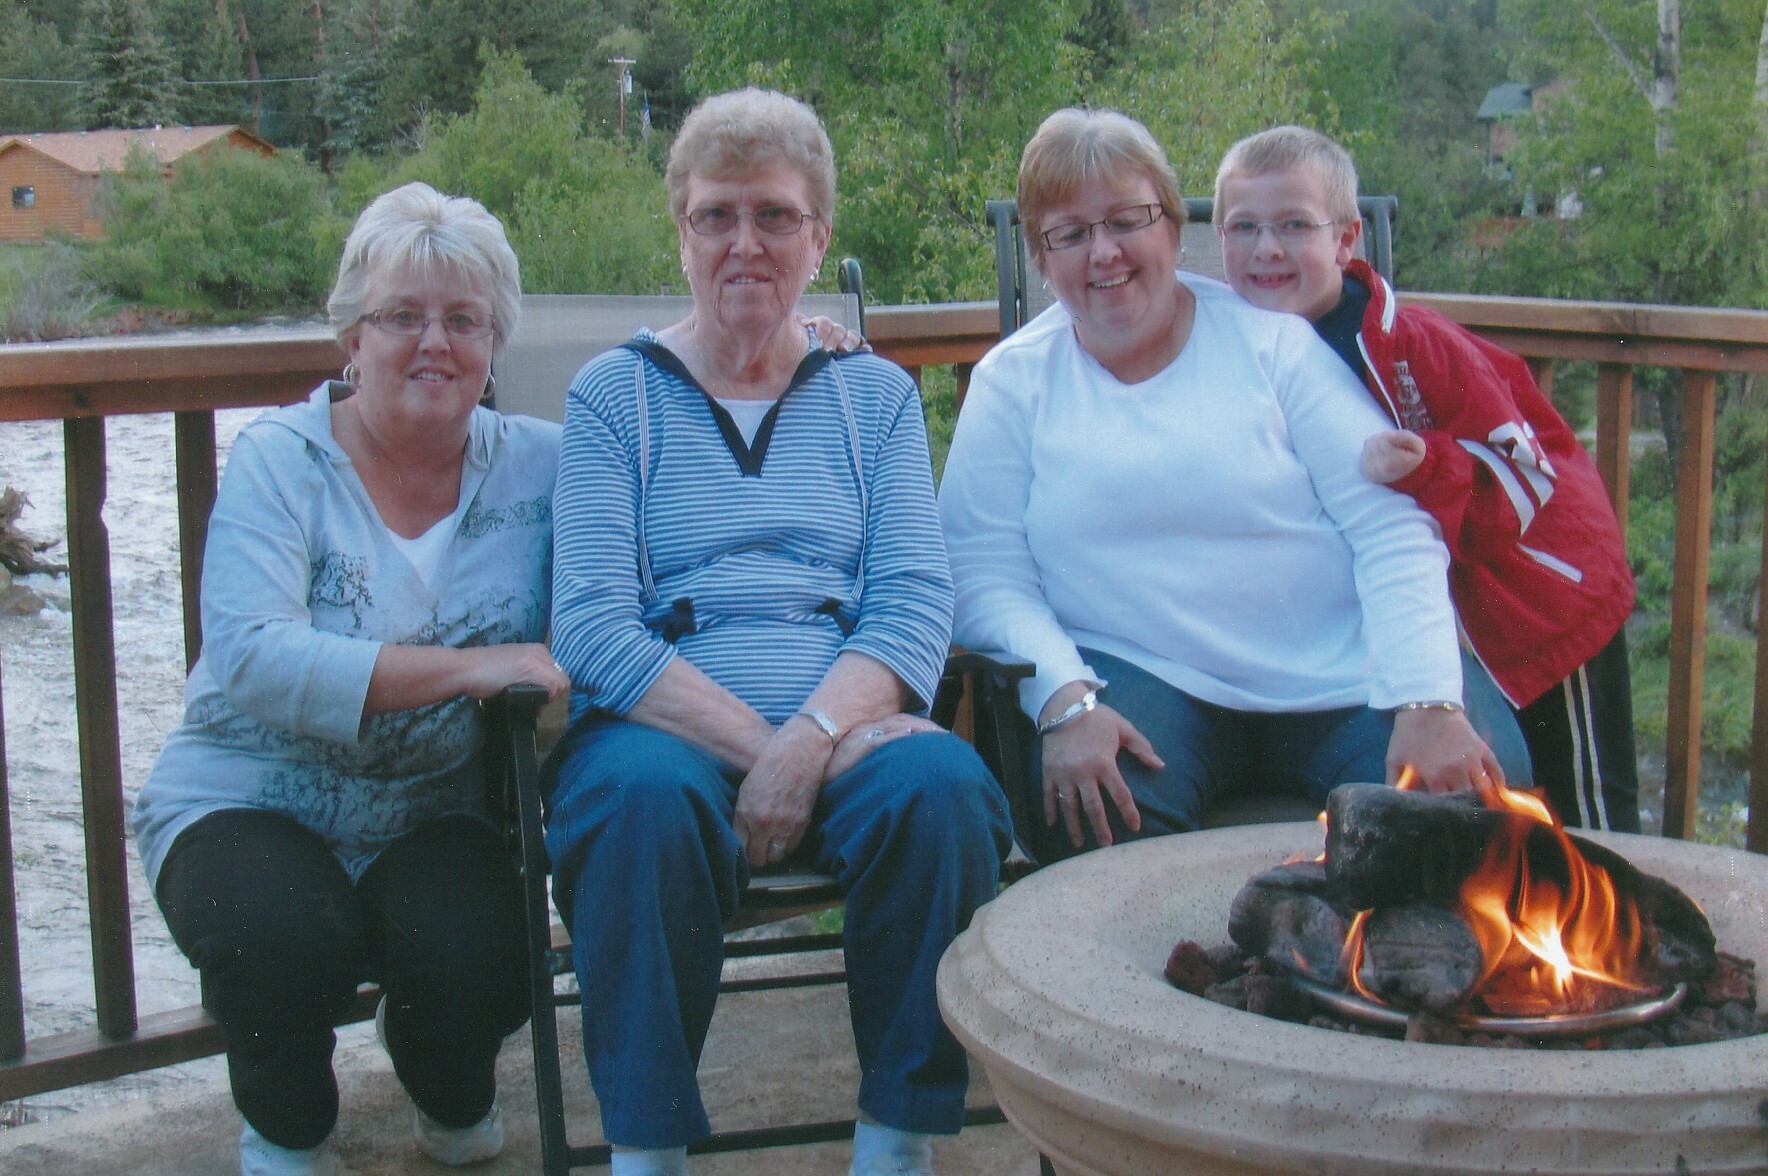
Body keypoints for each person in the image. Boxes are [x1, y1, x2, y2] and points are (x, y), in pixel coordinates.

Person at [545, 88, 1010, 1176]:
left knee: (941, 790)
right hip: (663, 730)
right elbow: (592, 623)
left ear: (819, 236)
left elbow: (912, 602)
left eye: (774, 216)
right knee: (633, 806)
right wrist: (783, 753)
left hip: (843, 722)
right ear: (681, 232)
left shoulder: (873, 396)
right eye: (716, 215)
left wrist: (816, 737)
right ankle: (648, 1153)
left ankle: (895, 1144)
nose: (743, 243)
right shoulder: (613, 396)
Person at [132, 182, 568, 1176]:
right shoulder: (279, 461)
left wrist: (803, 345)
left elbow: (677, 444)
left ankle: (444, 1087)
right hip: (245, 795)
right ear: (351, 338)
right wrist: (467, 668)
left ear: (494, 341)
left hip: (430, 807)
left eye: (463, 319)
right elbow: (251, 653)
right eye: (401, 316)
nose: (433, 343)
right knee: (277, 938)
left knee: (484, 950)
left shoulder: (546, 466)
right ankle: (287, 1131)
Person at [938, 107, 1503, 863]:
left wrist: (1426, 698)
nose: (1103, 252)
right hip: (1143, 673)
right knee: (1095, 811)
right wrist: (1064, 698)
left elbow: (1391, 524)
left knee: (1462, 806)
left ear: (1173, 228)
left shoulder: (1276, 345)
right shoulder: (1013, 382)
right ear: (1043, 258)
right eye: (1069, 234)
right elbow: (982, 570)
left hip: (1341, 675)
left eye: (1127, 221)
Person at [1213, 125, 1639, 832]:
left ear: (1346, 239)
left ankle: (1620, 902)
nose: (1267, 248)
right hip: (1452, 620)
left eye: (1294, 225)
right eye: (1245, 227)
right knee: (1518, 817)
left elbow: (1527, 477)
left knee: (1586, 810)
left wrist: (1428, 465)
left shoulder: (1414, 347)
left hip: (1542, 598)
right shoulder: (1234, 349)